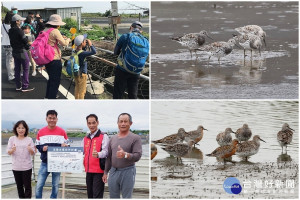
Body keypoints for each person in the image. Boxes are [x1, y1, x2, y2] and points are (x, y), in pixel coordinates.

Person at [102, 113, 142, 198]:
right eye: (121, 121)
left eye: (125, 121)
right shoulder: (112, 138)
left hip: (128, 171)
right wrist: (105, 172)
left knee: (127, 197)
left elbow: (137, 156)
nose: (123, 124)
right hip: (113, 171)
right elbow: (109, 157)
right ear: (117, 123)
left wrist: (125, 155)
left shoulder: (135, 138)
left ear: (130, 123)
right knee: (113, 196)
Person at [35, 110, 69, 199]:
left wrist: (65, 146)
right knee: (39, 185)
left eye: (54, 118)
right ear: (46, 119)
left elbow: (68, 146)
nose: (52, 120)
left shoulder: (62, 132)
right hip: (44, 163)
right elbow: (38, 146)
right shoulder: (41, 132)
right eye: (50, 118)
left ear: (57, 119)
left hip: (57, 163)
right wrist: (42, 148)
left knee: (55, 186)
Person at [113, 21, 148, 99]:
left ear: (131, 28)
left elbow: (115, 52)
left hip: (123, 69)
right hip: (136, 71)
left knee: (118, 93)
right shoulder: (145, 40)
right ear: (141, 30)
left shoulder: (125, 36)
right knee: (133, 94)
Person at [81, 114, 109, 198]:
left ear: (97, 122)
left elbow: (106, 152)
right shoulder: (85, 138)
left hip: (99, 171)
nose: (91, 125)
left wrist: (98, 154)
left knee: (97, 195)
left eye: (93, 123)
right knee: (90, 194)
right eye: (89, 123)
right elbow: (80, 151)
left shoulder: (104, 136)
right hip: (88, 170)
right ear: (87, 124)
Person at [44, 14, 70, 99]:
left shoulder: (45, 30)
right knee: (55, 81)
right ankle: (52, 98)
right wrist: (68, 39)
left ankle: (47, 96)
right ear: (57, 24)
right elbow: (64, 43)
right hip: (54, 58)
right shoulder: (55, 31)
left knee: (51, 79)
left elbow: (51, 40)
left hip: (46, 58)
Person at [7, 120, 35, 198]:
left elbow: (33, 153)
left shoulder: (29, 139)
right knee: (19, 187)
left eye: (23, 128)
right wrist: (12, 150)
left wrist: (30, 149)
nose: (21, 130)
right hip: (16, 167)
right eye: (19, 128)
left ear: (25, 129)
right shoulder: (12, 139)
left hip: (27, 167)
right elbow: (8, 152)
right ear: (16, 129)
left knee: (28, 187)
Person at [8, 14, 35, 92]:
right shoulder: (19, 30)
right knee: (26, 69)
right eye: (20, 20)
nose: (21, 22)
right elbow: (25, 41)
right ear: (16, 21)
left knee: (17, 69)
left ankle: (18, 86)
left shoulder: (10, 30)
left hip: (15, 51)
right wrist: (28, 45)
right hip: (22, 52)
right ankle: (25, 86)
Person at [73, 35, 96, 99]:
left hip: (76, 72)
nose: (85, 42)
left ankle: (76, 101)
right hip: (82, 74)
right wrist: (91, 44)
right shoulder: (82, 53)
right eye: (84, 41)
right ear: (81, 43)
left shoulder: (75, 51)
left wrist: (85, 45)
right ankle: (80, 104)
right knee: (82, 91)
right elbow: (94, 51)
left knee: (77, 88)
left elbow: (83, 50)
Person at [1, 12, 15, 81]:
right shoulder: (11, 26)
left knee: (8, 60)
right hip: (10, 44)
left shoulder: (2, 25)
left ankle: (10, 74)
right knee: (11, 60)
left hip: (4, 44)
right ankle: (11, 76)